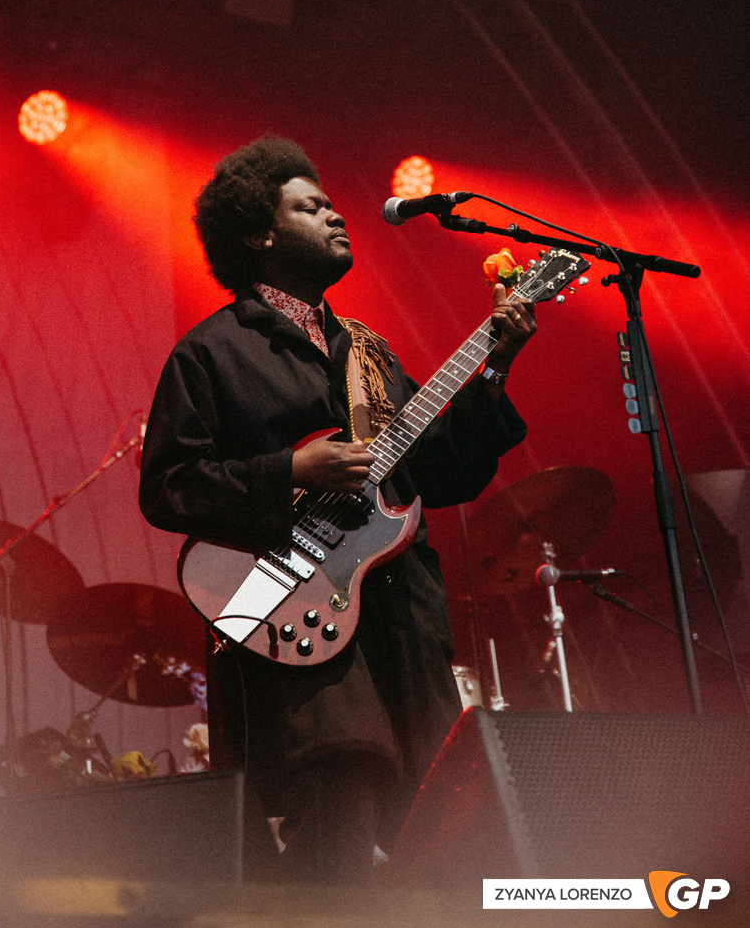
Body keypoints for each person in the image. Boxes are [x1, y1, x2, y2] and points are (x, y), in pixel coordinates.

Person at [139, 137, 536, 882]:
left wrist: (496, 368)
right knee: (339, 809)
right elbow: (168, 486)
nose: (334, 214)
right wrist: (287, 468)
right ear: (259, 234)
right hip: (299, 624)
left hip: (399, 625)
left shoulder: (370, 354)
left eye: (330, 202)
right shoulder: (211, 353)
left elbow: (438, 472)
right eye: (309, 205)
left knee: (437, 822)